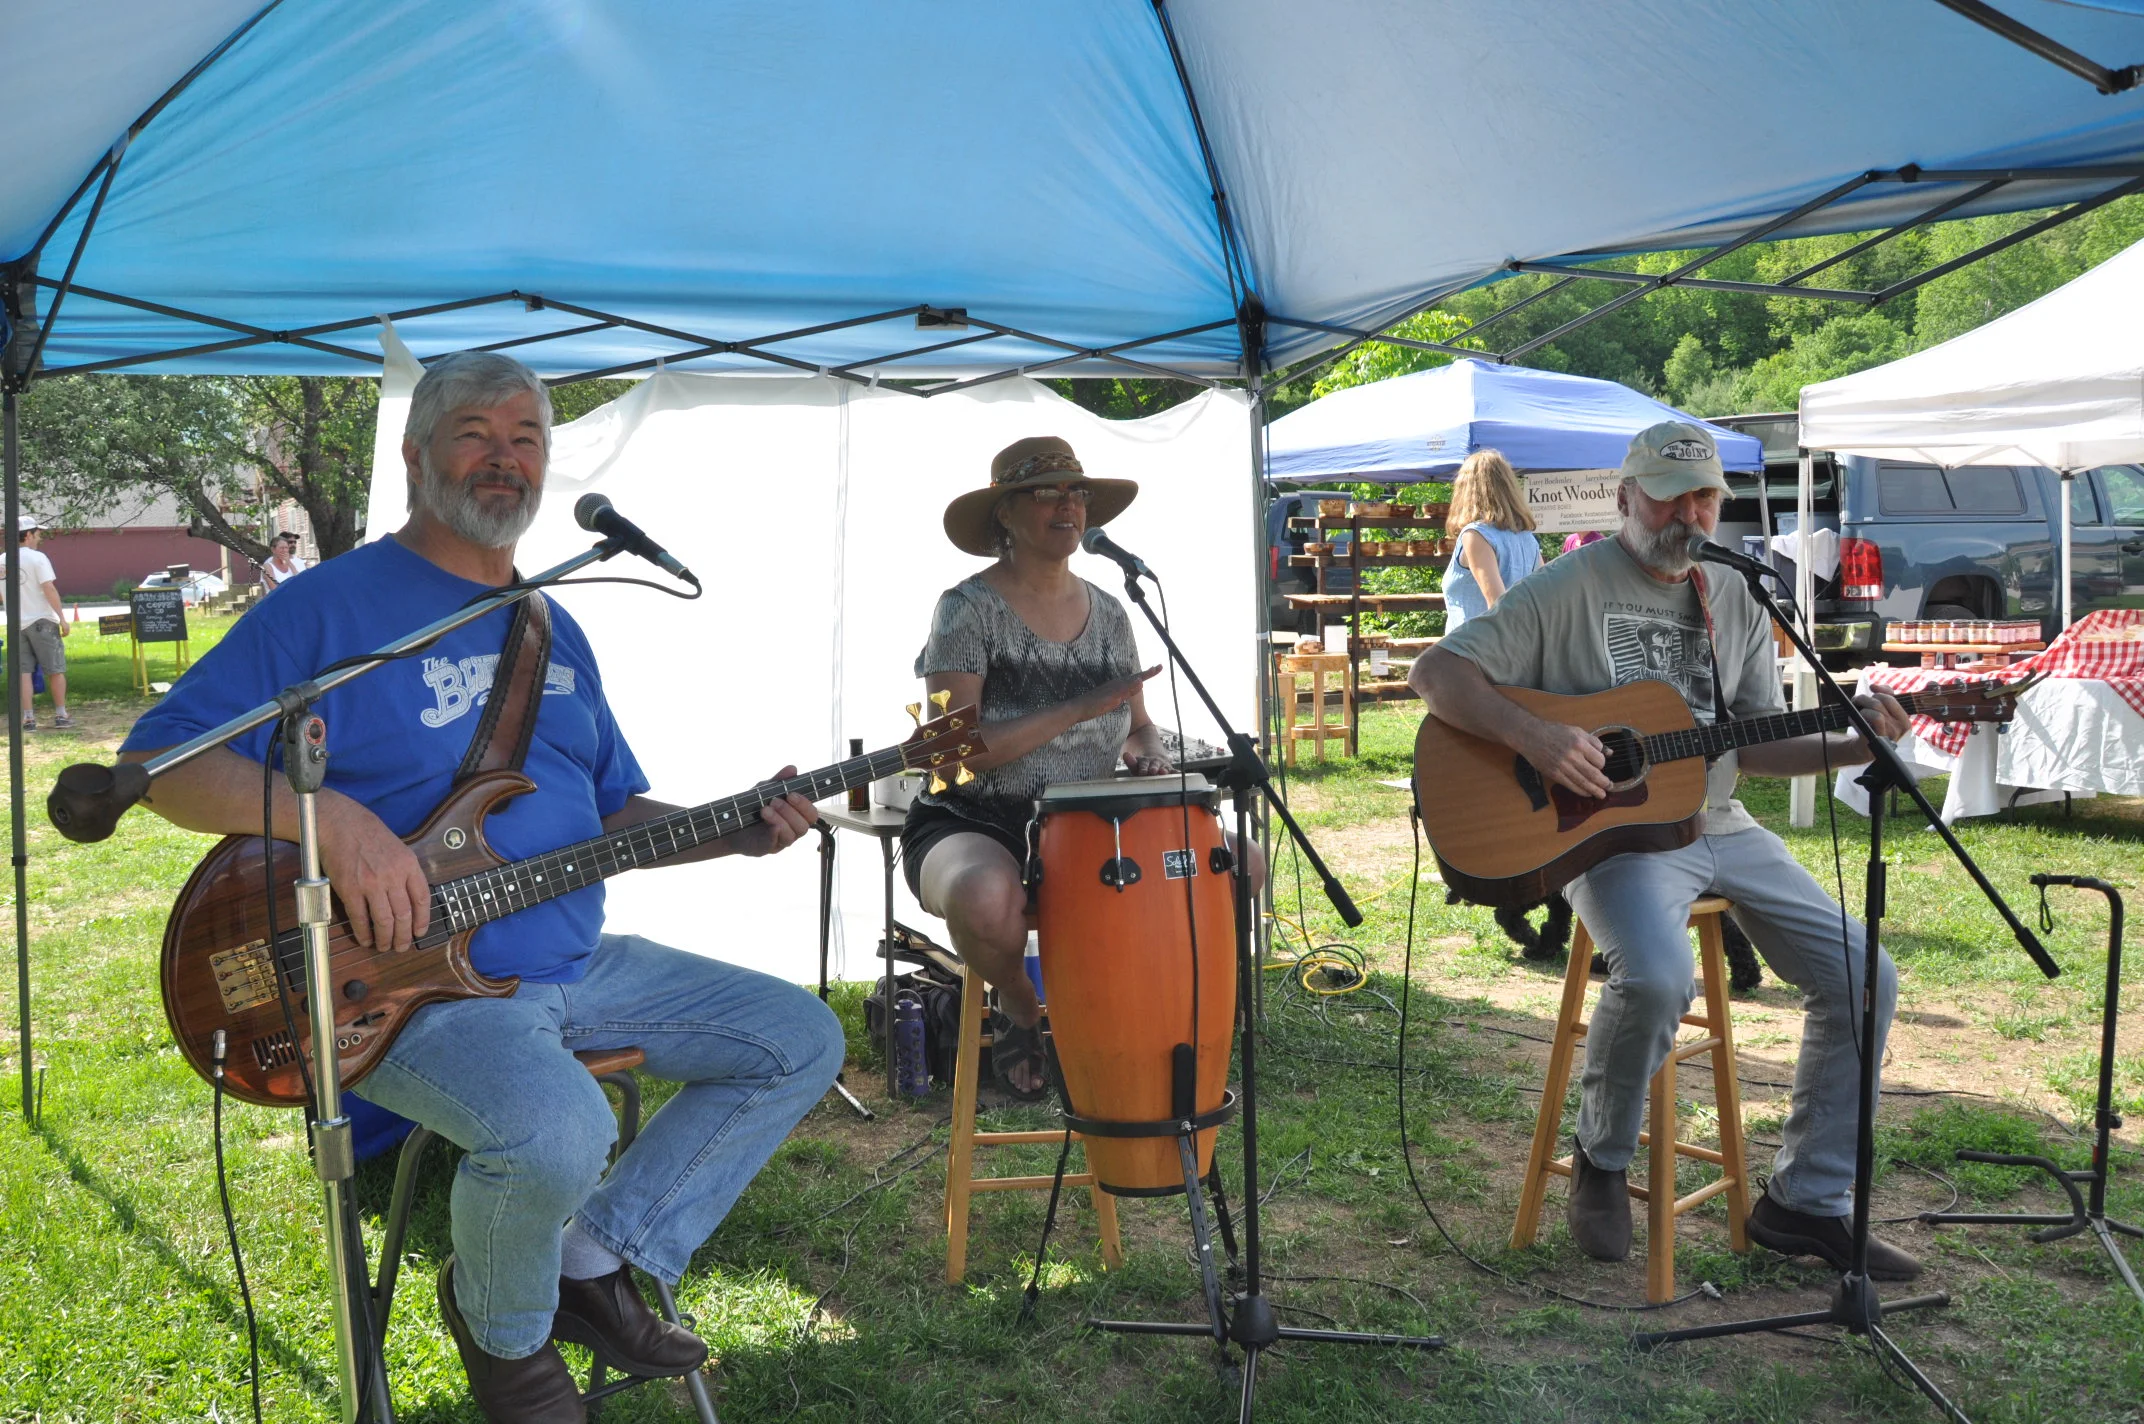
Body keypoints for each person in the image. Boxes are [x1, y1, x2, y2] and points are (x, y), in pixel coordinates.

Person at [120, 351, 844, 1424]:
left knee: (799, 1036)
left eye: (528, 436)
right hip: (414, 989)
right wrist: (334, 819)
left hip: (572, 965)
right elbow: (161, 762)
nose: (504, 456)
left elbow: (607, 818)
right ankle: (503, 1335)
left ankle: (596, 1260)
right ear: (416, 455)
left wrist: (730, 833)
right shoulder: (330, 607)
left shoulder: (554, 626)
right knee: (557, 1129)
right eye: (475, 431)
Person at [1407, 420, 1922, 1279]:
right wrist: (1538, 739)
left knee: (1867, 975)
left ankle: (1806, 1203)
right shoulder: (1566, 586)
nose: (1689, 513)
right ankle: (1603, 1160)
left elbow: (1753, 742)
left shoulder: (1735, 596)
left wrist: (1847, 744)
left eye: (1705, 496)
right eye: (1670, 494)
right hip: (1610, 836)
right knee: (1655, 974)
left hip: (1720, 821)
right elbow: (1437, 675)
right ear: (1624, 498)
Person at [902, 436, 1262, 1095]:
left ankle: (1158, 1014)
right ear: (1004, 515)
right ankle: (1019, 1006)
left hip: (1087, 822)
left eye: (1078, 493)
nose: (1068, 506)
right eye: (1047, 493)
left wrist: (1153, 759)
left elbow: (1139, 727)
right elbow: (951, 748)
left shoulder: (1113, 612)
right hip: (974, 818)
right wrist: (1078, 708)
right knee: (986, 897)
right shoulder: (966, 609)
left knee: (1244, 862)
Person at [1441, 449, 1541, 632]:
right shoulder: (1527, 539)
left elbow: (1498, 606)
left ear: (1466, 489)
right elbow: (1545, 597)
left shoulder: (1476, 536)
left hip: (1475, 650)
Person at [7, 515, 72, 730]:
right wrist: (62, 618)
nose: (39, 537)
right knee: (55, 669)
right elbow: (48, 588)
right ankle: (61, 715)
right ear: (27, 535)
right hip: (42, 620)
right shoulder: (38, 558)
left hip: (17, 623)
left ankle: (28, 718)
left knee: (23, 672)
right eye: (37, 533)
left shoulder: (2, 560)